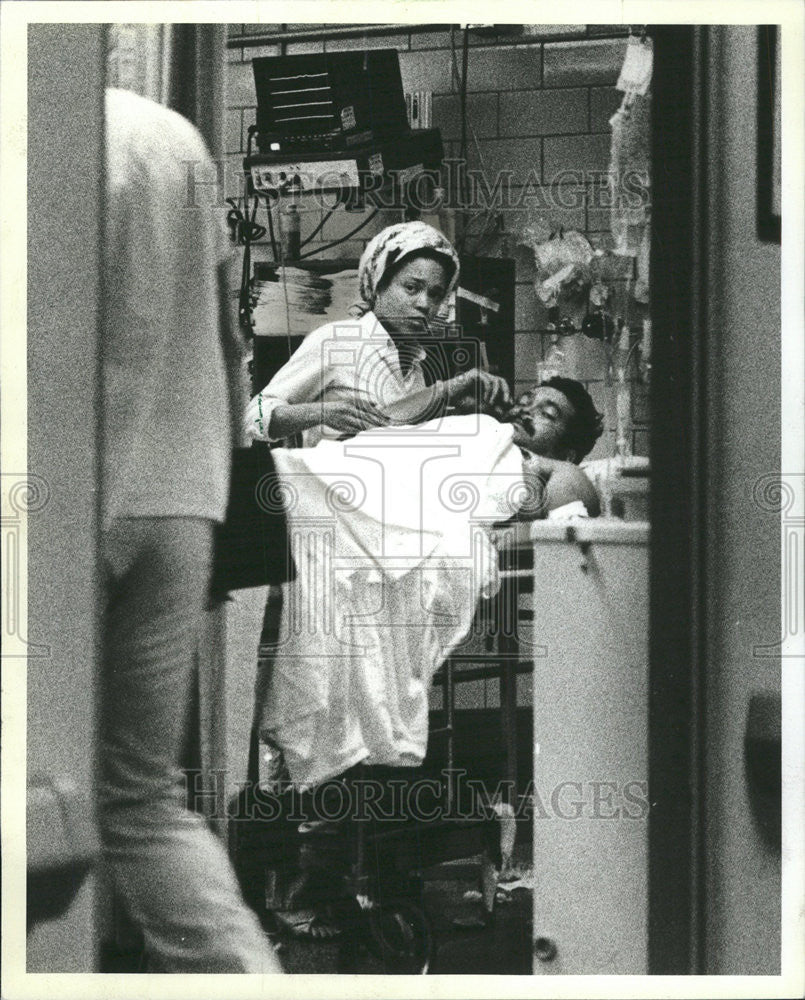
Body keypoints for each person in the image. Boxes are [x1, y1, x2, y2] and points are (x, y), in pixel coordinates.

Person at [99, 87, 282, 973]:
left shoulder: (39, 128)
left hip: (61, 501)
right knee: (142, 801)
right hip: (181, 501)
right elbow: (228, 340)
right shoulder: (172, 138)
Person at [243, 220, 512, 447]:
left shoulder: (415, 367)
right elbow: (252, 417)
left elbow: (390, 431)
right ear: (379, 285)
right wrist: (321, 413)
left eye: (436, 294)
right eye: (411, 287)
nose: (424, 303)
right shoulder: (338, 341)